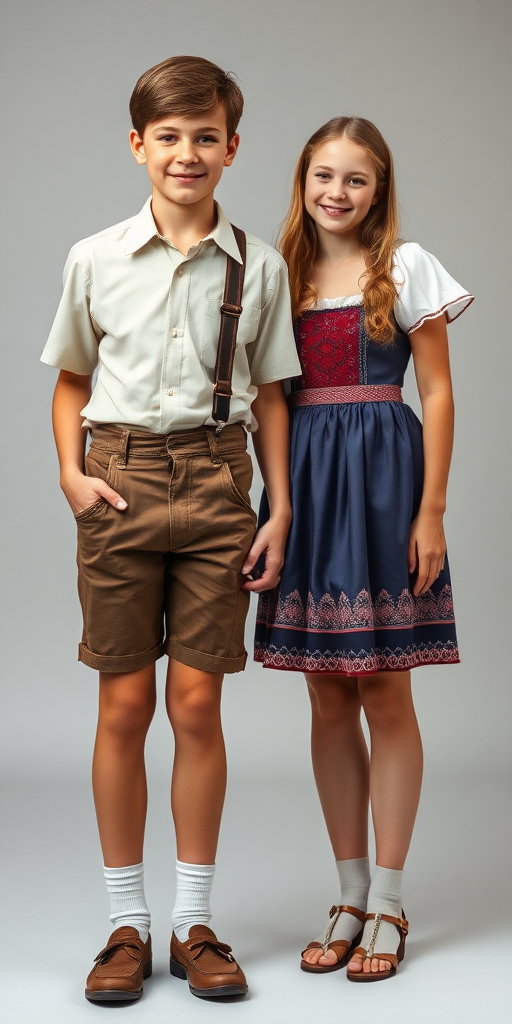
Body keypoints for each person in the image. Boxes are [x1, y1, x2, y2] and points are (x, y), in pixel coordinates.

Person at [41, 55, 301, 1003]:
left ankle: (194, 923)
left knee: (197, 708)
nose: (185, 153)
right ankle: (126, 925)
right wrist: (70, 474)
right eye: (167, 137)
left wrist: (280, 506)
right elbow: (71, 379)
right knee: (123, 706)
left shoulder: (257, 265)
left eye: (204, 137)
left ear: (232, 148)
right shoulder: (94, 257)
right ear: (137, 145)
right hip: (118, 480)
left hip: (219, 483)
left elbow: (273, 396)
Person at [252, 116, 473, 981]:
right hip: (305, 482)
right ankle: (346, 894)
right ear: (301, 181)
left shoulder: (404, 265)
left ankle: (389, 897)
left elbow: (440, 390)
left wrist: (434, 510)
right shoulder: (280, 273)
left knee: (385, 688)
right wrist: (277, 502)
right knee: (325, 695)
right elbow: (269, 394)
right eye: (323, 176)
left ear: (380, 191)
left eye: (357, 179)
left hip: (384, 480)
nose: (337, 192)